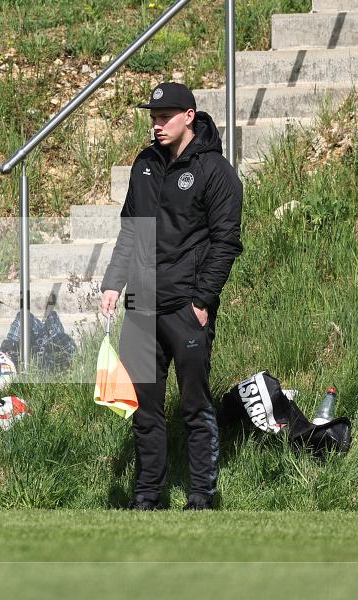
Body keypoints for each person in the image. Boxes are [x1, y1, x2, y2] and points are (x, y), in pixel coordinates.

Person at [99, 82, 243, 510]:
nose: (157, 125)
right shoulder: (144, 165)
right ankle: (148, 495)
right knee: (144, 409)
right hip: (141, 307)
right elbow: (130, 231)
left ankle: (202, 494)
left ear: (189, 118)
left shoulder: (215, 171)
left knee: (195, 407)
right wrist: (112, 282)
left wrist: (202, 300)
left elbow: (225, 242)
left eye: (165, 118)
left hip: (186, 308)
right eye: (153, 118)